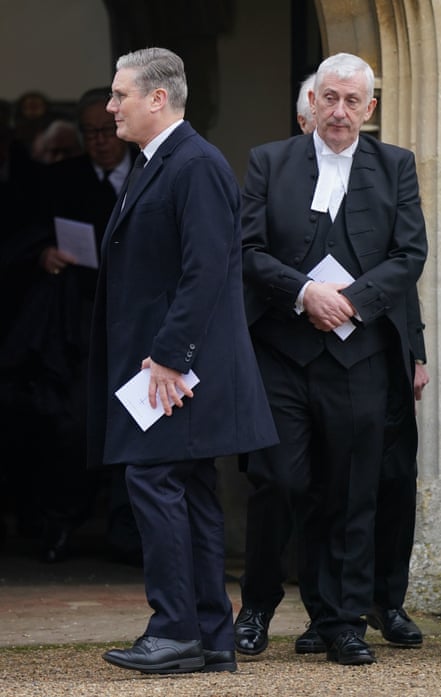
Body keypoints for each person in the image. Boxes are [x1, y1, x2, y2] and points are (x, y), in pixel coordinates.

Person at [87, 46, 278, 675]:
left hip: (175, 372)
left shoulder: (194, 164)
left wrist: (169, 358)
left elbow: (205, 271)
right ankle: (211, 635)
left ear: (158, 98)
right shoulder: (160, 160)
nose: (111, 106)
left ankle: (174, 631)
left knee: (153, 480)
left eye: (120, 95)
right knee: (188, 490)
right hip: (168, 368)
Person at [238, 52, 427, 665]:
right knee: (277, 480)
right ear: (312, 102)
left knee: (352, 491)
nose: (339, 111)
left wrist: (350, 302)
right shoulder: (270, 160)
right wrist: (303, 293)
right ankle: (257, 607)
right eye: (330, 98)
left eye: (352, 101)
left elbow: (409, 254)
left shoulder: (396, 165)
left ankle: (342, 620)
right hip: (283, 353)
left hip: (360, 354)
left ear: (369, 110)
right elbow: (247, 249)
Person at [0, 88, 138, 564]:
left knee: (141, 423)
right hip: (76, 324)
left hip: (139, 323)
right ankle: (60, 524)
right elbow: (21, 238)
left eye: (107, 130)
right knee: (73, 426)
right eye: (90, 132)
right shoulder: (59, 180)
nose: (100, 141)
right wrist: (43, 254)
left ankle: (129, 534)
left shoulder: (151, 174)